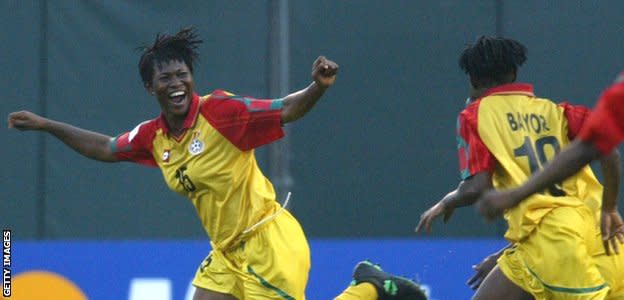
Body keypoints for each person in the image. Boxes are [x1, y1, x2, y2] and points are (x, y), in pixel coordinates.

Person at [8, 27, 338, 300]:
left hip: (269, 247)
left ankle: (366, 289)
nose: (176, 83)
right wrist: (46, 125)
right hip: (227, 253)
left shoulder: (221, 113)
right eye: (166, 78)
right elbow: (105, 147)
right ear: (150, 87)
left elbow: (286, 109)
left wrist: (317, 87)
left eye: (183, 75)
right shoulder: (154, 137)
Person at [415, 36, 619, 299]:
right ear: (513, 73)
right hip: (598, 232)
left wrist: (446, 202)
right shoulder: (556, 111)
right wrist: (610, 206)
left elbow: (476, 188)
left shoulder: (475, 115)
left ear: (472, 81)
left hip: (553, 241)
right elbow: (609, 150)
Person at [474, 72, 624, 299]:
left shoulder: (481, 120)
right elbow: (595, 149)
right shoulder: (567, 118)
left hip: (579, 245)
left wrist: (516, 194)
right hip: (578, 243)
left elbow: (599, 150)